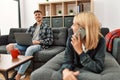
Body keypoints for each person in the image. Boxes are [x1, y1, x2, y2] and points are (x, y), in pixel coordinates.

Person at [51, 12, 106, 80]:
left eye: (74, 24)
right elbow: (67, 61)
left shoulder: (100, 40)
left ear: (83, 29)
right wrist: (65, 71)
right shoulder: (71, 39)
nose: (71, 27)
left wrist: (80, 51)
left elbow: (98, 67)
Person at [6, 10, 53, 80]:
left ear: (42, 16)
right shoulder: (31, 27)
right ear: (34, 17)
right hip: (27, 44)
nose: (37, 16)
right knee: (9, 46)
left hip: (38, 45)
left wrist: (38, 41)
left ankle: (18, 75)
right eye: (36, 15)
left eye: (39, 14)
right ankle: (17, 69)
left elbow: (50, 41)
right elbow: (25, 37)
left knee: (29, 49)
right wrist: (21, 42)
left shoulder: (47, 27)